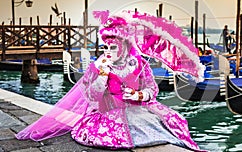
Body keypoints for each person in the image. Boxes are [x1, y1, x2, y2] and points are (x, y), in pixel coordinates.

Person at [16, 12, 205, 151]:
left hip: (138, 109)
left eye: (113, 47)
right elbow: (91, 97)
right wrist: (102, 76)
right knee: (117, 135)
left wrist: (138, 94)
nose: (108, 50)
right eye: (106, 46)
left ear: (124, 46)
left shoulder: (138, 64)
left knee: (173, 121)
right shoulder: (100, 65)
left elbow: (151, 89)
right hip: (109, 111)